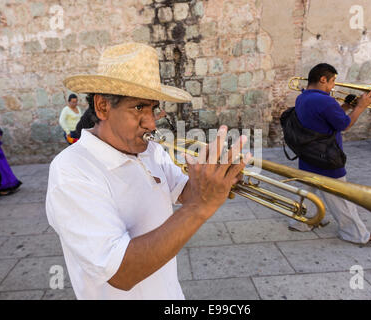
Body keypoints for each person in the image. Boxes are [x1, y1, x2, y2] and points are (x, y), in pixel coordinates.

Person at [45, 42, 251, 300]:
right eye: (138, 107)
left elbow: (184, 192)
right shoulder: (71, 170)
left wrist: (216, 176)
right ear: (103, 107)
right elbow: (121, 272)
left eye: (152, 108)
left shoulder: (150, 149)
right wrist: (200, 206)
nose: (151, 122)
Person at [287, 63, 371, 245]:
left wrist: (344, 106)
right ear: (323, 79)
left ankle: (301, 223)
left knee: (307, 191)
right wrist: (360, 107)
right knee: (341, 196)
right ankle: (356, 234)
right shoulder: (325, 100)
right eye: (333, 81)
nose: (334, 86)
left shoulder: (303, 97)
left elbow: (323, 120)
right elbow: (344, 125)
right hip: (326, 156)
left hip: (309, 154)